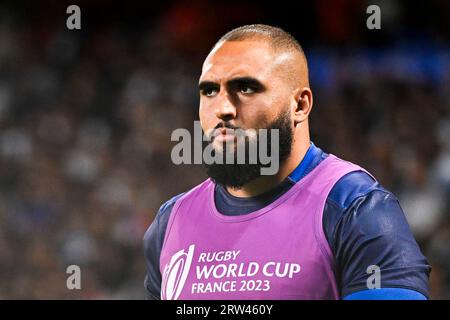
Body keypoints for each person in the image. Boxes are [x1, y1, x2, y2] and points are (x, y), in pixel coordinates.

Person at [143, 24, 430, 300]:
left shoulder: (358, 211)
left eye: (245, 88)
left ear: (300, 104)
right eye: (209, 91)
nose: (223, 109)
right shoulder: (171, 223)